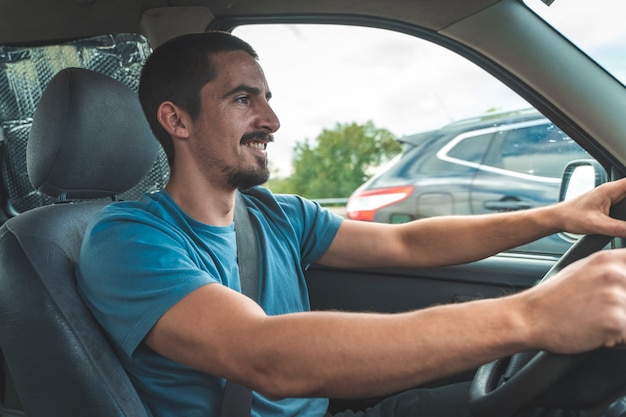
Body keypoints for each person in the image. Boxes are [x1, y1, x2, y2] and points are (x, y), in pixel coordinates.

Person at [76, 31, 626, 417]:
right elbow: (263, 353)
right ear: (176, 119)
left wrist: (557, 216)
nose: (271, 120)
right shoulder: (126, 239)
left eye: (267, 99)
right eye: (243, 99)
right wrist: (530, 316)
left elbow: (407, 243)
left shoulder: (278, 214)